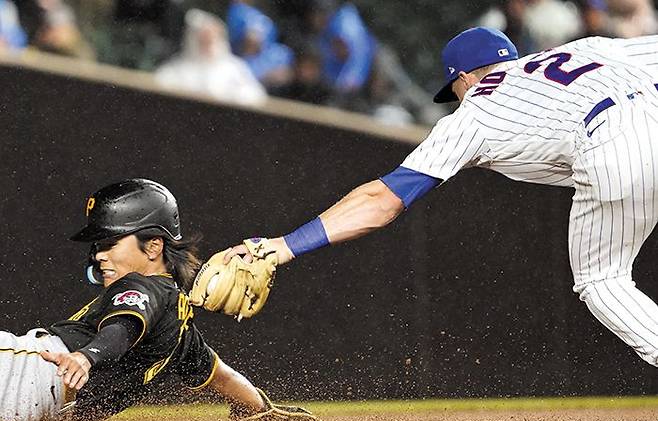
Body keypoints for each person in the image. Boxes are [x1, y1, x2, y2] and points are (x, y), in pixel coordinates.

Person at [224, 27, 658, 370]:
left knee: (602, 280)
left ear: (464, 79)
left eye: (453, 89)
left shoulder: (474, 112)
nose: (455, 97)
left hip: (610, 149)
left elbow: (382, 200)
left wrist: (284, 246)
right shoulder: (591, 49)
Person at [0, 178, 318, 421]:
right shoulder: (179, 328)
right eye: (99, 245)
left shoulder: (145, 287)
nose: (99, 254)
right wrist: (260, 410)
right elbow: (221, 375)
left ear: (153, 247)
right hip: (39, 399)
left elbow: (124, 326)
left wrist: (87, 357)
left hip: (25, 372)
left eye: (111, 242)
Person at [155, 8, 266, 107]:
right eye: (203, 40)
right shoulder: (177, 69)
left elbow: (256, 96)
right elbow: (160, 86)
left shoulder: (235, 68)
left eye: (211, 40)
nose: (207, 44)